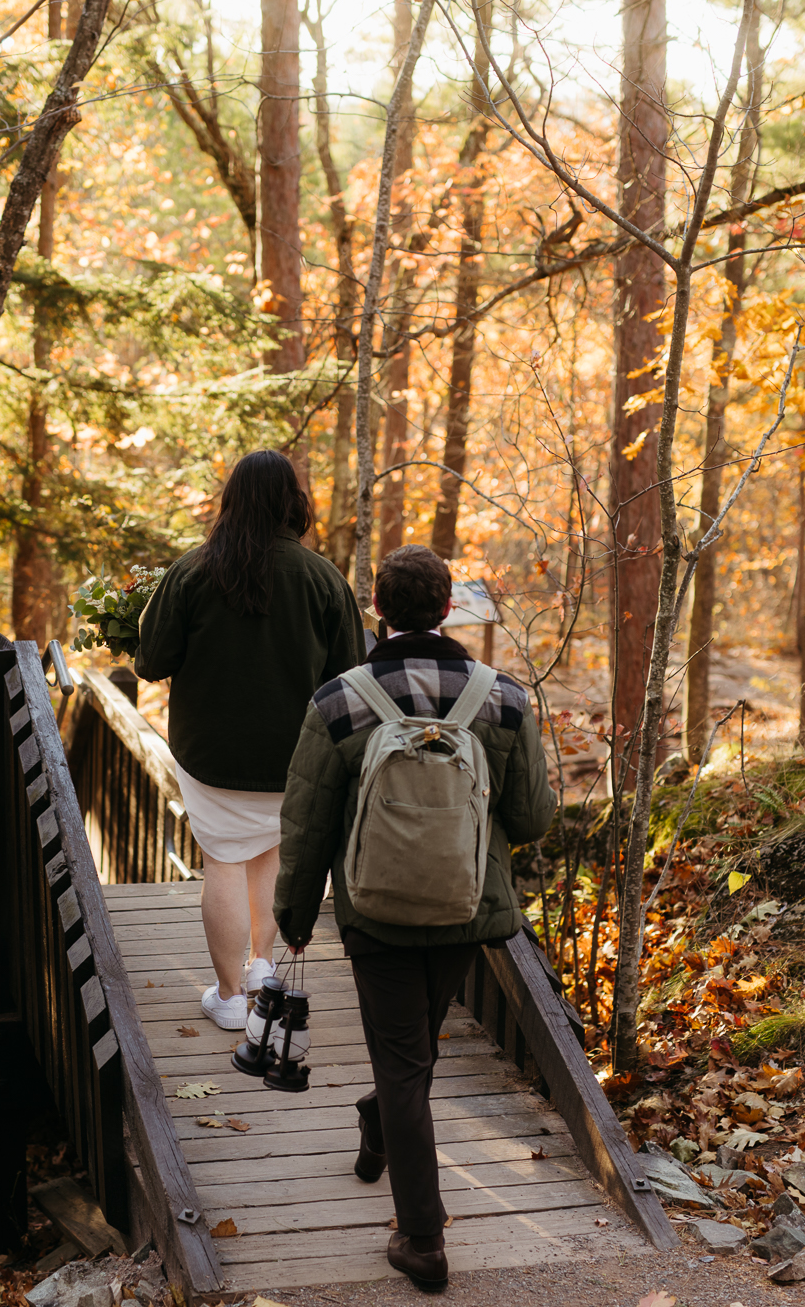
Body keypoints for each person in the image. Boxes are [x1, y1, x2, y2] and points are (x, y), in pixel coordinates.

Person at [273, 545, 556, 1292]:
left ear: (378, 609)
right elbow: (530, 816)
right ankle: (382, 1122)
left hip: (375, 913)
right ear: (447, 608)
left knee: (403, 1063)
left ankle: (423, 1240)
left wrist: (293, 915)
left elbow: (306, 822)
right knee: (412, 1057)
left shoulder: (339, 698)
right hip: (466, 911)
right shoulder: (503, 698)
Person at [135, 450, 366, 1029]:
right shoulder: (324, 579)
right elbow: (350, 680)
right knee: (271, 855)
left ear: (231, 500)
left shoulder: (192, 571)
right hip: (295, 757)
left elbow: (151, 661)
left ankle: (231, 997)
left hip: (211, 756)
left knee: (223, 861)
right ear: (294, 502)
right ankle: (263, 965)